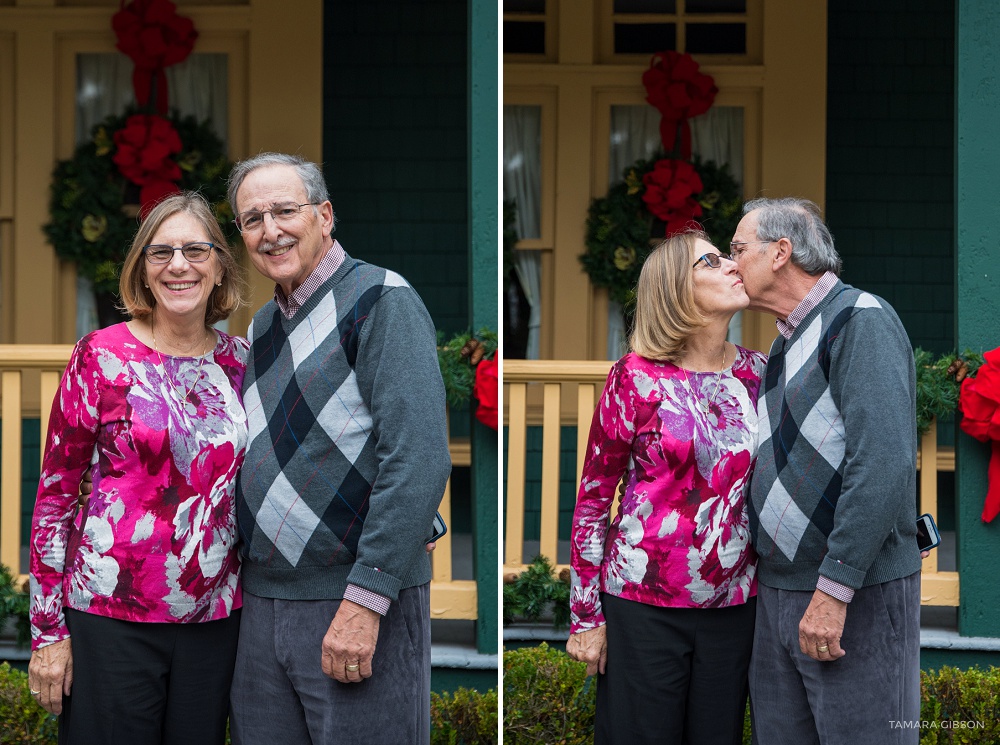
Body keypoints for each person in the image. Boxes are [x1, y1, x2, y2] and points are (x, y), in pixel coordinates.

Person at [226, 153, 451, 744]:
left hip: (354, 600)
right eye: (253, 219)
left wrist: (366, 598)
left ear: (324, 215)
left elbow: (419, 459)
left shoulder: (382, 300)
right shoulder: (262, 329)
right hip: (263, 600)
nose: (270, 230)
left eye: (285, 210)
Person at [27, 191, 249, 744]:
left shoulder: (243, 362)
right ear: (142, 271)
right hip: (110, 616)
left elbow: (301, 452)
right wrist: (47, 631)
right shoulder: (100, 357)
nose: (179, 265)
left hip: (215, 619)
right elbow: (55, 496)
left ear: (220, 265)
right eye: (160, 253)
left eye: (196, 250)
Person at [732, 197, 922, 745]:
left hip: (850, 594)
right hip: (780, 593)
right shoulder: (785, 339)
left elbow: (881, 463)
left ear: (780, 253)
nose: (730, 262)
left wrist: (834, 590)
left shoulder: (861, 320)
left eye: (738, 249)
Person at [567, 231, 767, 745]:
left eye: (728, 255)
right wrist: (585, 614)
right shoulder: (635, 378)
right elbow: (594, 498)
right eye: (711, 260)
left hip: (734, 605)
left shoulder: (758, 374)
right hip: (643, 603)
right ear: (677, 288)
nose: (731, 265)